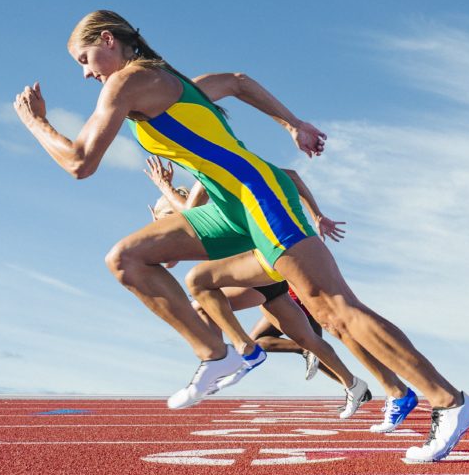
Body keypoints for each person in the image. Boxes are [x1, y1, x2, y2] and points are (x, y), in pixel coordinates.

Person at [14, 10, 469, 462]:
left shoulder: (128, 81)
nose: (85, 73)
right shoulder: (173, 83)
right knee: (128, 259)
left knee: (335, 311)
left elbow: (80, 162)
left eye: (83, 59)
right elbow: (235, 80)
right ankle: (217, 353)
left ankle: (450, 402)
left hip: (259, 196)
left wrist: (35, 122)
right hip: (230, 207)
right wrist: (293, 124)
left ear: (109, 41)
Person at [147, 156, 420, 433]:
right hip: (264, 264)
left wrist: (165, 190)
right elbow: (172, 248)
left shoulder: (215, 169)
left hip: (274, 255)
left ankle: (229, 356)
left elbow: (189, 214)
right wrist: (316, 215)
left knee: (338, 320)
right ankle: (359, 385)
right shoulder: (216, 174)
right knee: (318, 333)